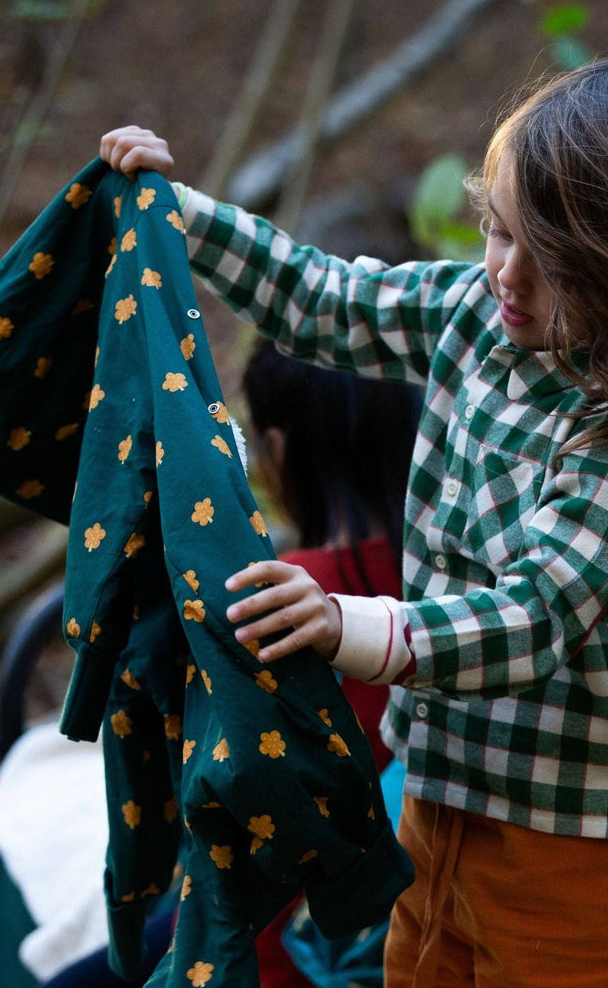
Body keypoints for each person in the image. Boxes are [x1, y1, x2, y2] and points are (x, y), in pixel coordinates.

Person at [100, 54, 608, 987]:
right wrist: (180, 218)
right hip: (439, 797)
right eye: (498, 231)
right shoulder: (475, 312)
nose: (507, 275)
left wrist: (345, 622)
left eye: (552, 263)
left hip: (575, 844)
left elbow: (534, 617)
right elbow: (326, 299)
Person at [241, 339, 421, 988]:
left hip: (285, 955)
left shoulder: (270, 601)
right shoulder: (462, 590)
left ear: (279, 450)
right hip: (416, 931)